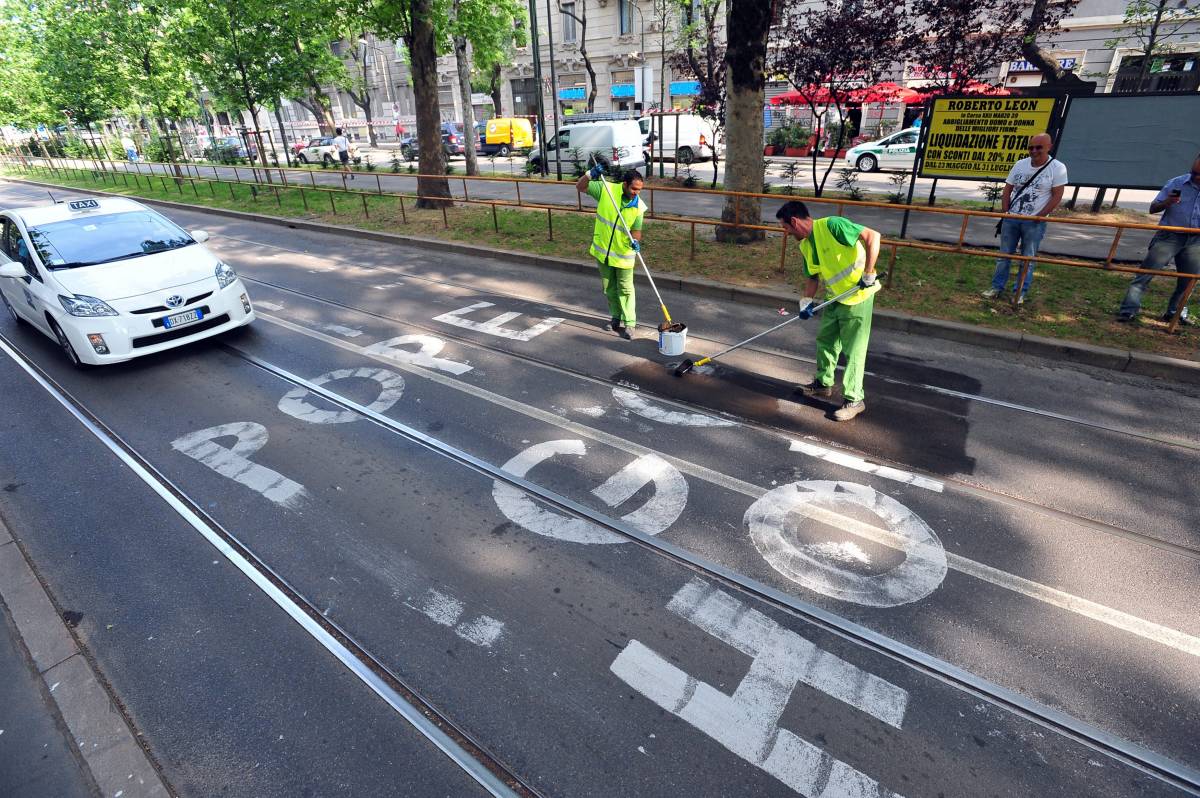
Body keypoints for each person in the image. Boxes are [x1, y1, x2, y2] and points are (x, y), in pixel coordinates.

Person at [777, 200, 882, 422]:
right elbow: (812, 276)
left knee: (853, 351)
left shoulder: (833, 226)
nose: (785, 233)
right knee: (826, 341)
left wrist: (869, 273)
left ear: (794, 221)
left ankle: (854, 399)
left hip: (857, 296)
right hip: (834, 297)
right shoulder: (805, 245)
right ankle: (823, 384)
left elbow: (873, 236)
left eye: (785, 227)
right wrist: (806, 300)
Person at [981, 133, 1068, 304]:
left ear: (1049, 147)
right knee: (1004, 255)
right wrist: (1005, 211)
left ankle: (1019, 291)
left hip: (1034, 222)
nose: (1034, 151)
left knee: (1028, 258)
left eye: (1038, 148)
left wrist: (1040, 216)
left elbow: (1057, 196)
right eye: (1031, 147)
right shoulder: (1020, 165)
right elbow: (1007, 189)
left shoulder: (1057, 168)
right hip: (1012, 218)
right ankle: (996, 287)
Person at [1117, 154, 1200, 326]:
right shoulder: (1177, 183)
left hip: (1196, 240)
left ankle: (1175, 313)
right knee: (1145, 275)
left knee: (1189, 280)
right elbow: (1153, 208)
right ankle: (1128, 310)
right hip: (1170, 235)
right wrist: (1168, 202)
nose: (1196, 177)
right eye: (1194, 173)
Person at [576, 165, 645, 340]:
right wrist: (589, 175)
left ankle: (630, 323)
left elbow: (637, 230)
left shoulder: (639, 206)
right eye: (634, 188)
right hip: (603, 251)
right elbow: (580, 187)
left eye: (639, 190)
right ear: (625, 184)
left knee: (626, 289)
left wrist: (636, 241)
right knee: (609, 289)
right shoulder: (606, 189)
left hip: (624, 254)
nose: (637, 192)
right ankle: (616, 318)